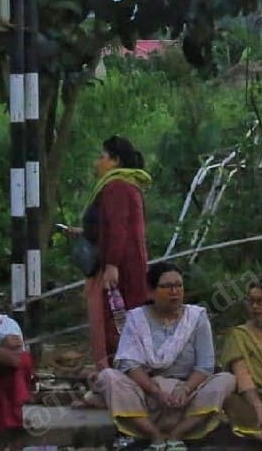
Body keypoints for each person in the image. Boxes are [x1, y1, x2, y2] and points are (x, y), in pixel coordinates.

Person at [98, 262, 236, 448]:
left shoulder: (196, 317)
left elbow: (205, 365)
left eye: (179, 285)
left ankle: (176, 436)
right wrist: (155, 391)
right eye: (167, 286)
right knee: (108, 377)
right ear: (151, 291)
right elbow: (128, 363)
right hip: (147, 394)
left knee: (226, 380)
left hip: (186, 397)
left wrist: (185, 389)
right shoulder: (136, 318)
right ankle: (155, 436)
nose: (175, 291)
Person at [65, 135, 151, 372]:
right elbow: (112, 227)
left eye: (101, 157)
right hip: (125, 267)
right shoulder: (127, 186)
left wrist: (112, 264)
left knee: (113, 324)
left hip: (117, 271)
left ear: (115, 161)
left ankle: (116, 382)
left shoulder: (116, 187)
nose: (97, 163)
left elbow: (118, 228)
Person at [221, 283, 262, 445]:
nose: (255, 307)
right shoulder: (239, 335)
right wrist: (259, 409)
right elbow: (243, 375)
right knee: (230, 401)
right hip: (248, 401)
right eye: (251, 301)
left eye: (261, 302)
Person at [0, 301, 33, 439]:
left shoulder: (5, 324)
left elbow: (14, 359)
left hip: (3, 372)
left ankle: (15, 417)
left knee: (21, 363)